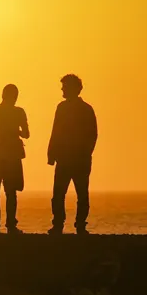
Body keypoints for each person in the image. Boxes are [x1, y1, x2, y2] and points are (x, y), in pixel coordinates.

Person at [47, 73, 97, 235]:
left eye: (65, 87)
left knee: (81, 194)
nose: (62, 89)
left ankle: (80, 225)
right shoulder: (61, 108)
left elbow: (92, 134)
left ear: (75, 89)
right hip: (65, 158)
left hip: (78, 159)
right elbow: (56, 131)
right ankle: (58, 225)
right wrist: (52, 154)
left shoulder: (86, 109)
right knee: (59, 194)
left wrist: (85, 153)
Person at [0, 84, 30, 234]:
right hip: (9, 155)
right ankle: (9, 225)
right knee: (9, 192)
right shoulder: (18, 112)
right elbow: (26, 134)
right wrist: (14, 131)